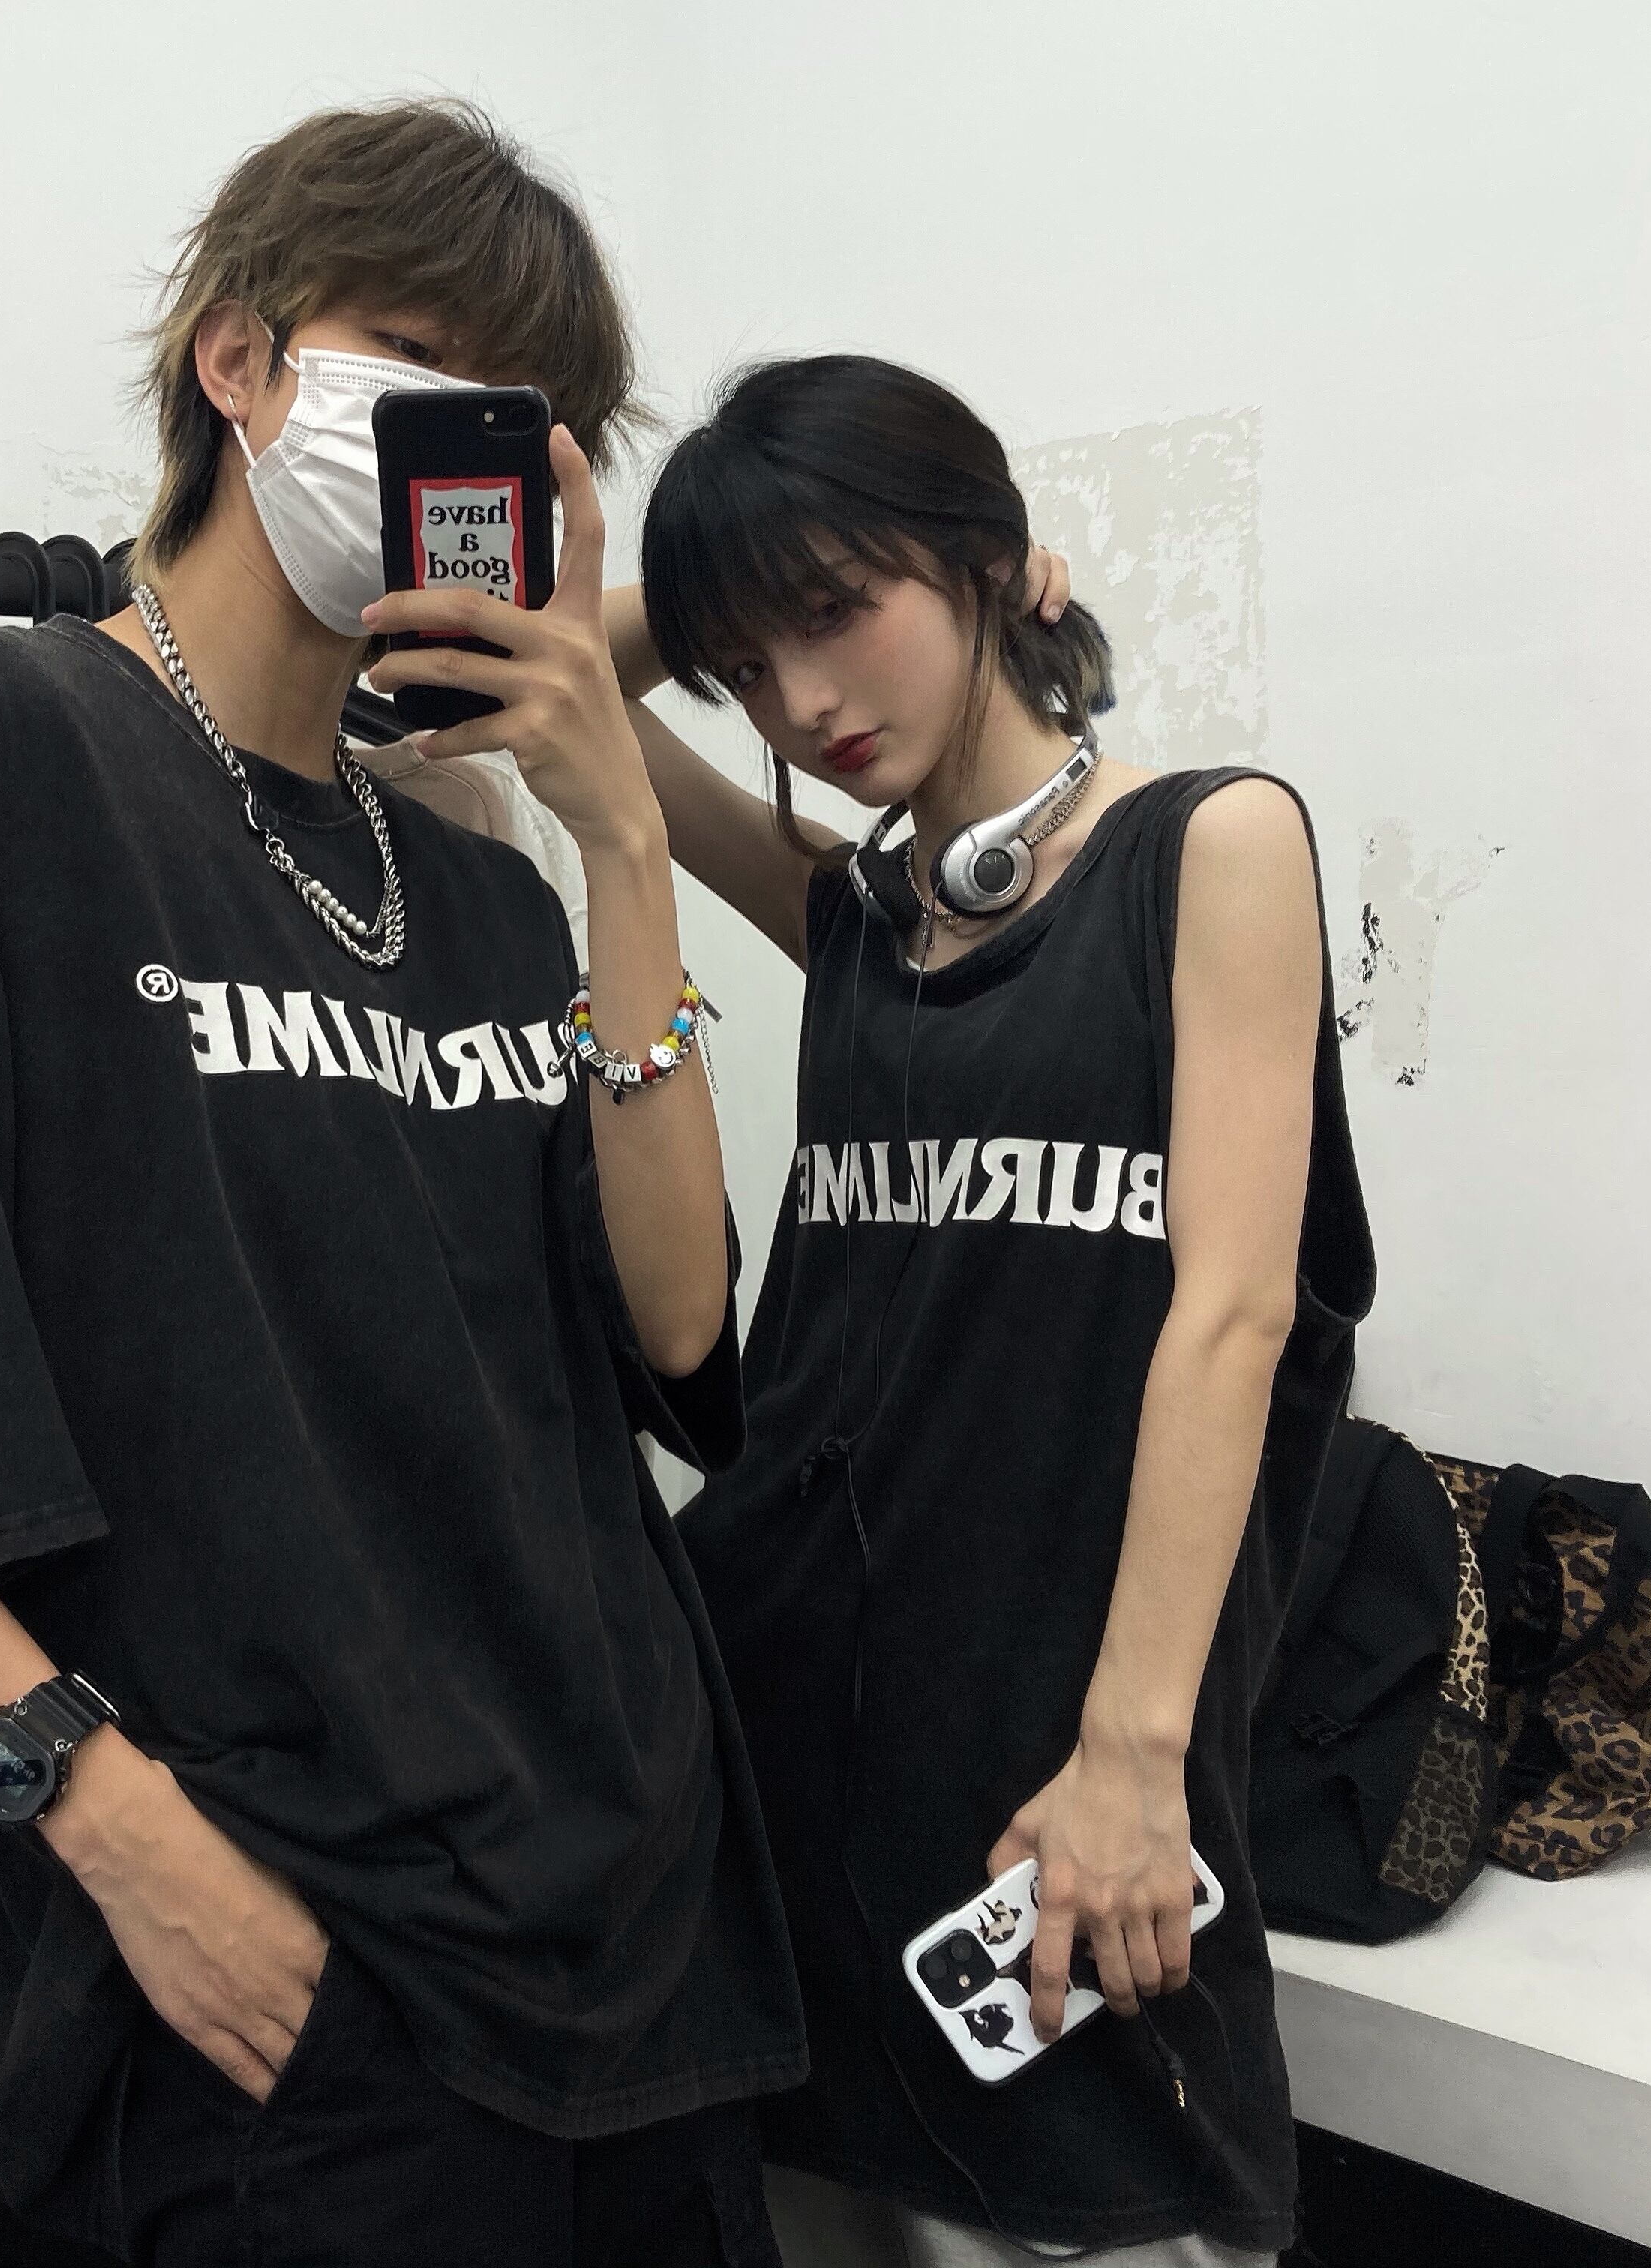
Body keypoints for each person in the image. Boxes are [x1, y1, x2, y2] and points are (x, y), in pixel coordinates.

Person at [0, 101, 809, 2266]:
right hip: (295, 2001)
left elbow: (676, 1329)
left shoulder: (477, 875)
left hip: (638, 1929)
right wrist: (116, 1832)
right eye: (424, 358)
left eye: (529, 411)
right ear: (240, 360)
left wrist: (623, 842)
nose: (472, 431)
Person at [576, 355, 1375, 2266]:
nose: (802, 703)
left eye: (839, 612)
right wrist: (709, 579)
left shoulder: (1209, 849)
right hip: (787, 1785)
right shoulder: (862, 915)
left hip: (1067, 1799)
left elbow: (1234, 1321)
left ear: (994, 561)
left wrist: (1134, 1757)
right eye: (747, 669)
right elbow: (551, 671)